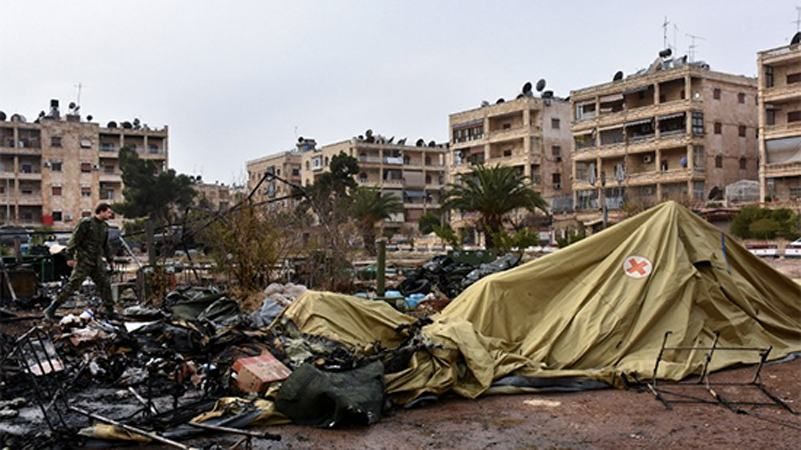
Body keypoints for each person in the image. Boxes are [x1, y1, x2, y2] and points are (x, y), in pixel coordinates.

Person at [44, 203, 115, 319]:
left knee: (105, 284)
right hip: (84, 261)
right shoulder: (86, 223)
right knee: (73, 285)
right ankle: (52, 309)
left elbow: (105, 245)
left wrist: (110, 260)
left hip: (96, 262)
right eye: (108, 212)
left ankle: (110, 311)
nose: (110, 214)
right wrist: (69, 257)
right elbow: (74, 240)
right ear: (101, 212)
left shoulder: (104, 227)